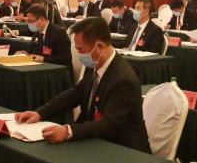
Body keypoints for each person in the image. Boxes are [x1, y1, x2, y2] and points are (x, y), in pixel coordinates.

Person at [15, 18, 150, 152]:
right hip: (95, 140)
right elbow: (73, 94)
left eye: (81, 50)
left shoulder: (123, 80)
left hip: (123, 148)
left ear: (99, 46)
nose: (79, 55)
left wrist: (67, 131)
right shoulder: (97, 64)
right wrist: (39, 113)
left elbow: (109, 124)